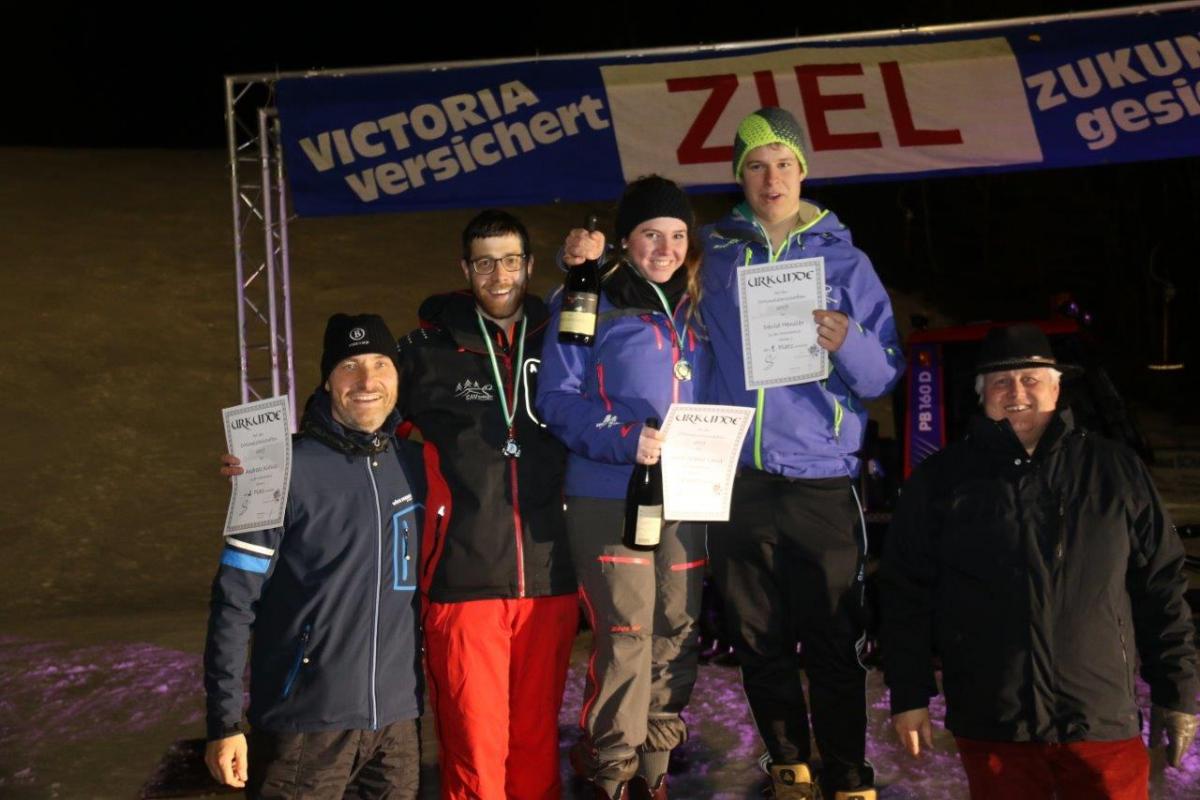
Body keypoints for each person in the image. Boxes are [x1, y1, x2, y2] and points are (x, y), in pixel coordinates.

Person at [880, 323, 1198, 800]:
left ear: (1056, 388)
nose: (1016, 392)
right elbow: (905, 593)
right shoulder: (940, 480)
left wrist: (1177, 691)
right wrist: (909, 694)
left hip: (1100, 718)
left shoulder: (1114, 468)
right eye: (1001, 381)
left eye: (1030, 378)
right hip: (995, 722)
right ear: (982, 394)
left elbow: (1160, 585)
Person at [700, 107, 903, 800]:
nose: (772, 178)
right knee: (757, 638)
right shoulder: (714, 257)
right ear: (740, 176)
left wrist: (850, 340)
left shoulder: (846, 261)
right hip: (739, 478)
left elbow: (882, 376)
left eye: (784, 163)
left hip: (820, 478)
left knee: (833, 638)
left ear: (803, 171)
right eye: (756, 165)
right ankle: (788, 765)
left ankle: (847, 774)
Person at [539, 176, 711, 800]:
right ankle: (612, 768)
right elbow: (555, 399)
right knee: (628, 634)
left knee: (677, 628)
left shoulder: (698, 305)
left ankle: (653, 770)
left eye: (677, 235)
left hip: (688, 493)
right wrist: (623, 438)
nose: (665, 249)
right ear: (624, 240)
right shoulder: (588, 298)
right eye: (650, 234)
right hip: (609, 491)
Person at [204, 313, 425, 799]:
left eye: (380, 364)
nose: (367, 381)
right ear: (327, 380)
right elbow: (234, 601)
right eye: (349, 366)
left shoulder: (417, 466)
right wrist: (224, 721)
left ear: (397, 375)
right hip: (304, 725)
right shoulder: (277, 470)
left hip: (397, 726)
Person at [399, 209, 578, 799]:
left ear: (529, 265)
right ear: (465, 269)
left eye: (510, 261)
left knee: (535, 747)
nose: (498, 276)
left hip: (550, 579)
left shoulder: (565, 340)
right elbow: (352, 410)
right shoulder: (426, 351)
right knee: (476, 753)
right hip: (463, 580)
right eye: (484, 263)